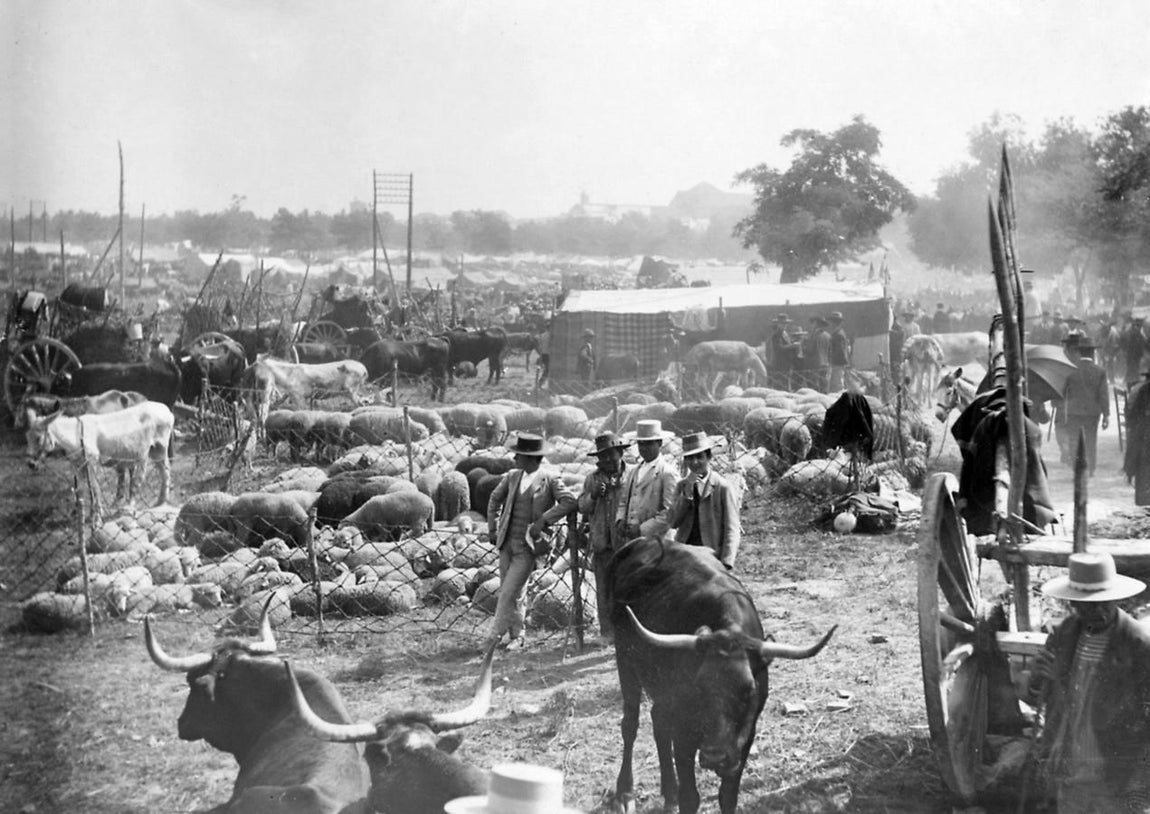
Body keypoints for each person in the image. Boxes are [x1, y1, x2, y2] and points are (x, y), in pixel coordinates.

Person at [1025, 551, 1150, 813]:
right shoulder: (1065, 633)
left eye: (1105, 602)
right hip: (1070, 769)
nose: (1099, 610)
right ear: (1074, 603)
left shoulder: (1138, 644)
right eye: (1088, 604)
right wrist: (1038, 678)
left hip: (1115, 773)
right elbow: (1037, 696)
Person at [485, 433, 577, 651]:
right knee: (516, 592)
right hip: (506, 543)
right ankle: (516, 636)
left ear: (531, 458)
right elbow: (494, 499)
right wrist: (492, 527)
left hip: (528, 546)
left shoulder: (550, 479)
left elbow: (569, 501)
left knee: (508, 591)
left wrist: (544, 520)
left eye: (519, 455)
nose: (515, 459)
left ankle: (491, 637)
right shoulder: (512, 476)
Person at [577, 431, 631, 644]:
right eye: (603, 456)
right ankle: (607, 633)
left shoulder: (631, 476)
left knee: (628, 587)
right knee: (604, 590)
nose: (608, 460)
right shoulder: (592, 478)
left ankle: (628, 632)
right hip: (602, 543)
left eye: (612, 455)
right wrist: (593, 495)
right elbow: (581, 505)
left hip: (626, 544)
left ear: (620, 453)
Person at [666, 432, 740, 569]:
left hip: (711, 556)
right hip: (685, 553)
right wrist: (687, 494)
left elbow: (732, 528)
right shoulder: (682, 486)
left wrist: (726, 562)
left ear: (709, 457)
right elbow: (673, 521)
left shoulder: (722, 487)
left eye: (699, 457)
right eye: (689, 458)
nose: (695, 462)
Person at [615, 419, 679, 543]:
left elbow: (670, 513)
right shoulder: (634, 471)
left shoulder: (667, 473)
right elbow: (624, 501)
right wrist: (620, 520)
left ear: (659, 443)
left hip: (658, 542)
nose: (644, 448)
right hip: (633, 540)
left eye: (649, 444)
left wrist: (642, 529)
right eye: (641, 444)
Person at [1061, 338, 1110, 476]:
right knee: (1091, 440)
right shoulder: (1100, 371)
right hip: (1092, 413)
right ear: (1093, 353)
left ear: (1079, 353)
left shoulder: (1070, 369)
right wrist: (1106, 415)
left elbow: (1063, 392)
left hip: (1073, 412)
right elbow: (1103, 395)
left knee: (1074, 440)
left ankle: (1077, 467)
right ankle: (1091, 468)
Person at [1124, 368, 1150, 505]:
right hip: (1145, 437)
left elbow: (1131, 416)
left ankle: (1143, 499)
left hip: (1142, 437)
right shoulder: (1143, 391)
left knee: (1143, 467)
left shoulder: (1139, 390)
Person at [768, 313, 798, 390]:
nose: (785, 325)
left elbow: (787, 344)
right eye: (782, 323)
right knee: (780, 386)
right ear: (778, 324)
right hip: (780, 364)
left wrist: (793, 343)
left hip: (787, 363)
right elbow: (779, 348)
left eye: (786, 323)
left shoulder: (785, 334)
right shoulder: (776, 335)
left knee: (786, 384)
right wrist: (792, 346)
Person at [804, 315, 831, 392]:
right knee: (823, 386)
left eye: (812, 323)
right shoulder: (828, 336)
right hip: (825, 364)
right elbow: (830, 351)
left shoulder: (814, 335)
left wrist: (803, 347)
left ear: (816, 324)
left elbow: (810, 350)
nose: (811, 326)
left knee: (813, 388)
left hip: (814, 365)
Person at [827, 311, 852, 392]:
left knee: (837, 384)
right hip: (838, 362)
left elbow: (839, 351)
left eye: (834, 322)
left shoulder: (838, 335)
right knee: (835, 383)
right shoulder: (837, 333)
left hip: (838, 363)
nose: (832, 324)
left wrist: (832, 360)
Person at [1122, 316, 1148, 389]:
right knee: (1133, 372)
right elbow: (1142, 343)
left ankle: (1130, 386)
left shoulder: (1131, 331)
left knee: (1131, 371)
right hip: (1135, 356)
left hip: (1131, 356)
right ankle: (1132, 386)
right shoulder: (1137, 333)